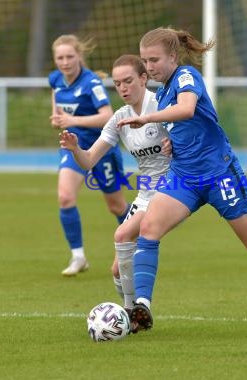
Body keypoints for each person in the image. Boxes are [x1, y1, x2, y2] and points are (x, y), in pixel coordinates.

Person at [117, 26, 247, 333]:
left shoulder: (185, 77)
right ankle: (141, 308)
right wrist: (171, 142)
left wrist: (147, 118)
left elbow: (186, 109)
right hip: (184, 177)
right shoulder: (164, 89)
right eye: (145, 60)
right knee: (148, 229)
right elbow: (182, 127)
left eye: (154, 59)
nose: (149, 67)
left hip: (220, 175)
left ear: (172, 56)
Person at [59, 54, 170, 313]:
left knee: (121, 234)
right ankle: (132, 310)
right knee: (117, 269)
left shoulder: (164, 105)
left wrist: (176, 144)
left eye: (128, 81)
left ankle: (134, 312)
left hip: (173, 190)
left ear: (144, 79)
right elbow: (88, 161)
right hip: (145, 194)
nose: (122, 88)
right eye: (118, 83)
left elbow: (193, 134)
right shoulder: (119, 118)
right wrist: (75, 148)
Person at [49, 35, 129, 276]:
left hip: (101, 146)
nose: (65, 62)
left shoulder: (91, 82)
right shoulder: (55, 79)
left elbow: (108, 115)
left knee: (116, 206)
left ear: (79, 56)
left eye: (70, 57)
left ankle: (136, 243)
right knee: (65, 197)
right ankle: (78, 256)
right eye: (60, 57)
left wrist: (71, 119)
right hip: (74, 144)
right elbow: (56, 96)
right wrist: (57, 116)